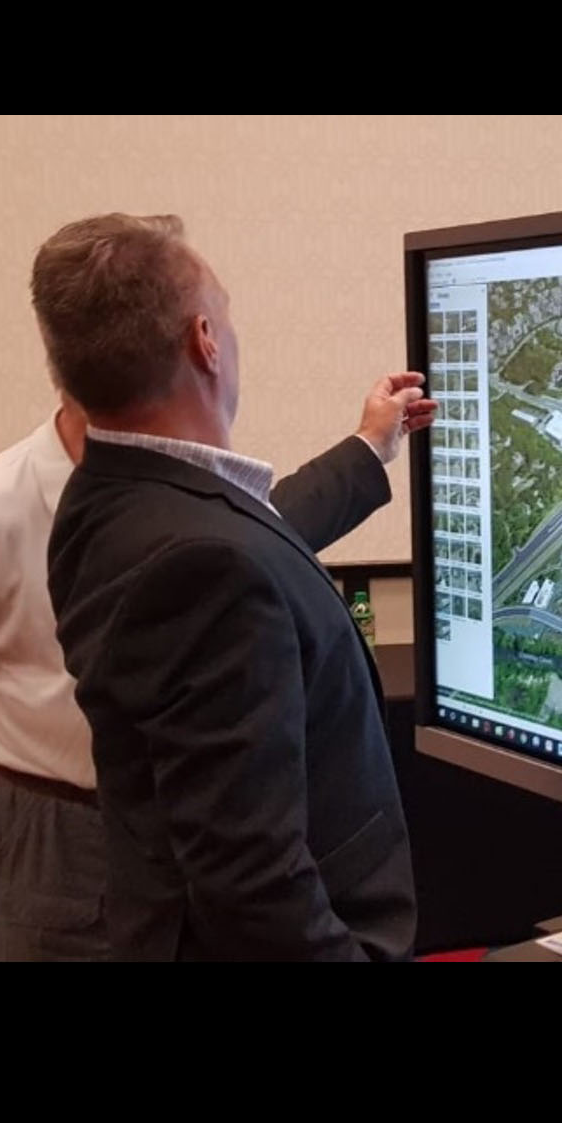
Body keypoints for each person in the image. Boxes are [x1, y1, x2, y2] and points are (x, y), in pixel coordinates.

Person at [0, 363, 429, 962]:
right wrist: (19, 768)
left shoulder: (169, 488)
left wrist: (371, 445)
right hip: (67, 827)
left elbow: (264, 530)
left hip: (183, 816)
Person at [37, 213, 430, 962]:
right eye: (225, 310)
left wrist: (369, 447)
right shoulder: (204, 566)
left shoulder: (107, 500)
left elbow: (249, 529)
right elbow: (251, 882)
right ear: (203, 340)